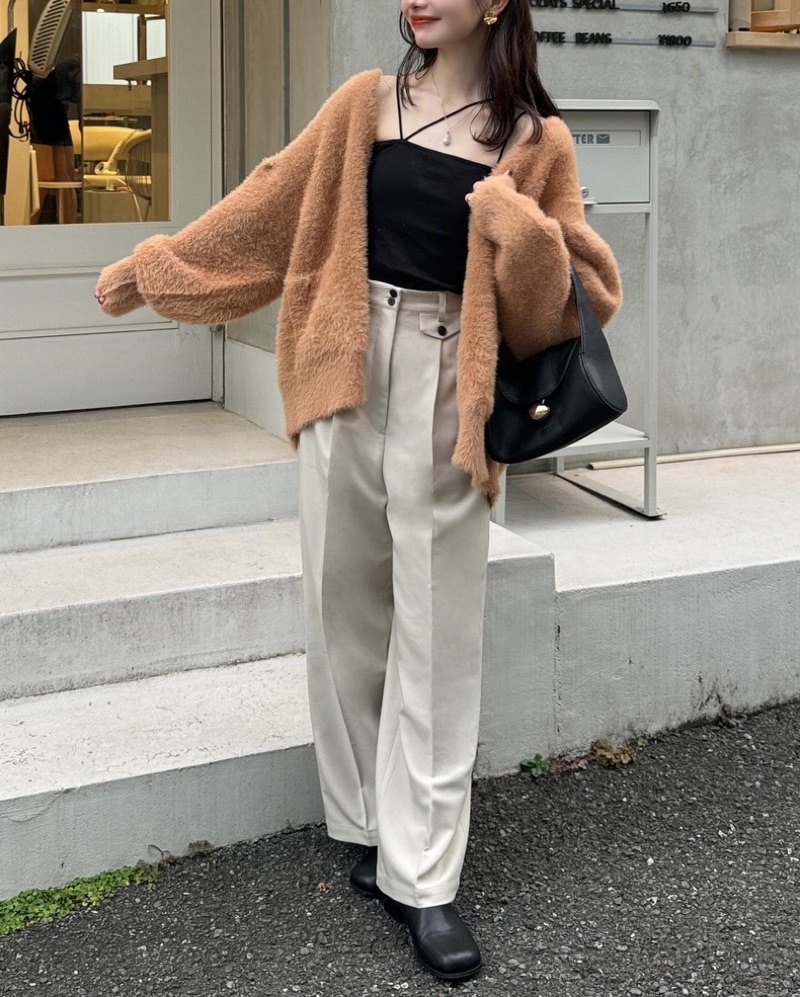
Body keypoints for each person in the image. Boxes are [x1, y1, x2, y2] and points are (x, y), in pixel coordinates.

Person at [95, 0, 622, 982]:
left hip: (449, 381)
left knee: (437, 628)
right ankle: (369, 824)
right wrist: (155, 270)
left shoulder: (533, 139)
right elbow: (267, 207)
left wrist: (518, 232)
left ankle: (425, 876)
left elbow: (579, 296)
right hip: (343, 366)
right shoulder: (363, 104)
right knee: (342, 609)